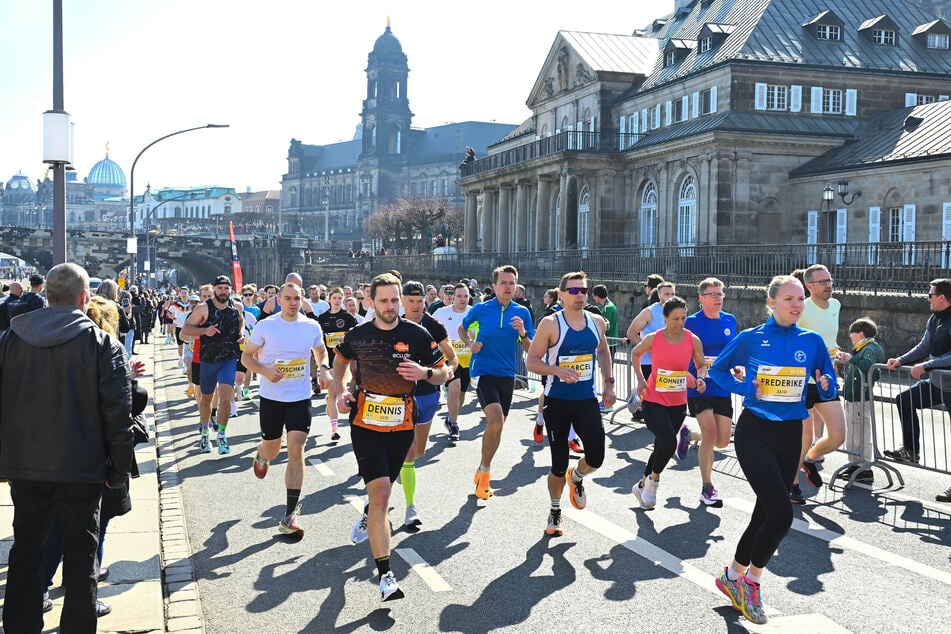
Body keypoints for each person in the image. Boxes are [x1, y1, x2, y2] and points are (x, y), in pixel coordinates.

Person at [0, 262, 133, 632]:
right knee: (81, 559)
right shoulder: (101, 343)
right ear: (84, 297)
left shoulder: (12, 338)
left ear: (47, 296)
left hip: (26, 465)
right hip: (82, 466)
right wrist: (118, 471)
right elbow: (117, 415)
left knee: (26, 553)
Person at [709, 275, 836, 625]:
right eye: (789, 299)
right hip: (755, 432)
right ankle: (752, 582)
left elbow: (827, 380)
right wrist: (745, 386)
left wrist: (826, 383)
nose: (796, 305)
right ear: (772, 302)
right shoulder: (751, 338)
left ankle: (731, 578)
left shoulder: (811, 341)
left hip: (790, 433)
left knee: (764, 513)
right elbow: (717, 370)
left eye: (800, 300)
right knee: (781, 514)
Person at [334, 273, 450, 601]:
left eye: (394, 300)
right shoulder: (358, 334)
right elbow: (339, 362)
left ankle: (370, 511)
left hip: (401, 425)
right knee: (383, 493)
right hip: (366, 424)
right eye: (383, 300)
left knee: (382, 492)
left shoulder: (417, 334)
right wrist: (341, 392)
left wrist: (426, 373)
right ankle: (386, 576)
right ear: (371, 302)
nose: (390, 306)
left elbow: (444, 369)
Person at [526, 272, 615, 536]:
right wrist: (557, 371)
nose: (579, 295)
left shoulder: (596, 321)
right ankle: (555, 509)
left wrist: (608, 382)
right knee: (557, 462)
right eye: (573, 291)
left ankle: (577, 476)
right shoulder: (550, 324)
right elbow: (532, 361)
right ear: (562, 294)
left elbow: (602, 350)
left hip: (586, 399)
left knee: (597, 456)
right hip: (557, 402)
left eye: (583, 291)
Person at [242, 282, 328, 535]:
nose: (292, 302)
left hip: (299, 397)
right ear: (279, 300)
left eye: (296, 298)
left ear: (302, 300)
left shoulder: (311, 326)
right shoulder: (265, 326)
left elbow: (321, 351)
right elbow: (246, 357)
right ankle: (261, 454)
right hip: (271, 397)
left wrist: (322, 367)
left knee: (297, 449)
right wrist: (265, 371)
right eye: (287, 298)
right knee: (273, 448)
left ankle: (290, 515)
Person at [459, 265, 535, 500]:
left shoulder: (522, 312)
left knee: (498, 426)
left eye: (512, 283)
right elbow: (463, 329)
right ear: (494, 286)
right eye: (503, 283)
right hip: (483, 372)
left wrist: (523, 333)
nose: (508, 287)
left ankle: (482, 466)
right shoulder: (482, 309)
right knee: (495, 419)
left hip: (507, 374)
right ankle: (485, 475)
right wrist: (471, 344)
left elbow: (530, 349)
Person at [630, 296, 707, 510]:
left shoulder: (692, 340)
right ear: (664, 318)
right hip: (654, 399)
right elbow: (635, 354)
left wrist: (700, 378)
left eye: (683, 318)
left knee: (661, 446)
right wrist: (640, 379)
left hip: (677, 402)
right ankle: (653, 484)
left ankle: (641, 485)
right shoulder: (654, 338)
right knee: (669, 442)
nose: (680, 323)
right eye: (675, 318)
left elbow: (701, 365)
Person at [399, 281, 456, 527]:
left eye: (419, 301)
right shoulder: (393, 324)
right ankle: (410, 507)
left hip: (428, 393)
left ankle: (403, 470)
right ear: (402, 301)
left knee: (419, 450)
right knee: (408, 452)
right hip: (400, 396)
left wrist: (448, 372)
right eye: (410, 301)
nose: (415, 306)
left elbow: (451, 357)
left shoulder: (434, 326)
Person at [791, 264, 846, 504]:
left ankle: (809, 458)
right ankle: (792, 485)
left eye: (830, 280)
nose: (828, 285)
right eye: (822, 281)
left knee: (837, 436)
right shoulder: (801, 308)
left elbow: (828, 339)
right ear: (809, 286)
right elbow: (790, 339)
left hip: (826, 380)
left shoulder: (835, 305)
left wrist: (837, 353)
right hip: (802, 381)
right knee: (803, 436)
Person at [885, 278, 951, 468]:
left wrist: (928, 365)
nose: (928, 299)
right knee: (904, 399)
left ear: (941, 297)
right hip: (936, 384)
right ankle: (910, 451)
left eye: (930, 295)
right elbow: (925, 346)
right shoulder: (934, 318)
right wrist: (901, 360)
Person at [683, 278, 737, 507]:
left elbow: (732, 351)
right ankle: (707, 488)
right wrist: (690, 374)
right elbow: (680, 349)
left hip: (722, 386)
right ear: (701, 299)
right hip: (699, 386)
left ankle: (688, 436)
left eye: (721, 294)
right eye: (713, 294)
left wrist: (737, 367)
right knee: (710, 433)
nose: (718, 298)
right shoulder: (691, 323)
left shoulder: (730, 320)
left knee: (722, 441)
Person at [181, 275, 245, 455]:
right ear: (215, 289)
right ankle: (204, 432)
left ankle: (222, 435)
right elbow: (186, 329)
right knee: (207, 399)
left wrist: (240, 333)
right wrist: (204, 331)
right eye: (219, 288)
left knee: (225, 398)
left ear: (230, 290)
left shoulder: (236, 306)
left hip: (229, 359)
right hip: (208, 360)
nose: (223, 292)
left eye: (226, 288)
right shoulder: (203, 308)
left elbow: (241, 320)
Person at [835, 318, 886, 484]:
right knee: (852, 433)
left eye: (853, 332)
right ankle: (853, 465)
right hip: (853, 397)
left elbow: (868, 365)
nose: (850, 336)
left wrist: (850, 358)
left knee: (860, 433)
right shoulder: (861, 348)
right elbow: (854, 371)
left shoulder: (870, 348)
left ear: (861, 333)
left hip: (860, 397)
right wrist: (843, 363)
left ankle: (864, 468)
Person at [625, 281, 677, 421]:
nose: (670, 296)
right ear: (659, 294)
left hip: (669, 361)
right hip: (650, 361)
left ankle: (659, 417)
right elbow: (631, 333)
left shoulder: (677, 311)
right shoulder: (650, 312)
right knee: (650, 393)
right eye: (667, 294)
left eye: (672, 294)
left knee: (667, 392)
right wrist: (647, 347)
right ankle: (638, 403)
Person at [432, 282, 474, 442]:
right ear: (453, 297)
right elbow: (428, 330)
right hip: (449, 359)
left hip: (467, 360)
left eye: (465, 296)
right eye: (459, 296)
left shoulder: (474, 312)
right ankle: (455, 425)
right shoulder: (441, 313)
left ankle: (450, 417)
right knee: (454, 388)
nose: (462, 299)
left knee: (461, 394)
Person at [316, 287, 359, 440]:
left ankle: (330, 403)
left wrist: (346, 338)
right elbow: (318, 342)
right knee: (333, 393)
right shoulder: (322, 318)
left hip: (343, 360)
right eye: (334, 298)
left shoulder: (348, 317)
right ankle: (335, 429)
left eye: (339, 298)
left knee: (334, 394)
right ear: (329, 299)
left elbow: (356, 336)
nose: (337, 301)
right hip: (328, 359)